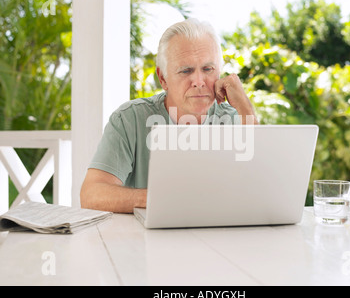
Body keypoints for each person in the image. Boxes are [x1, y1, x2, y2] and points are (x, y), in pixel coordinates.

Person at [80, 18, 258, 213]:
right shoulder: (129, 119)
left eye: (208, 69)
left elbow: (263, 186)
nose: (199, 81)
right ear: (163, 79)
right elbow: (92, 195)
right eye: (186, 70)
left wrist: (246, 109)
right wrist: (166, 198)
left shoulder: (235, 120)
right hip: (143, 240)